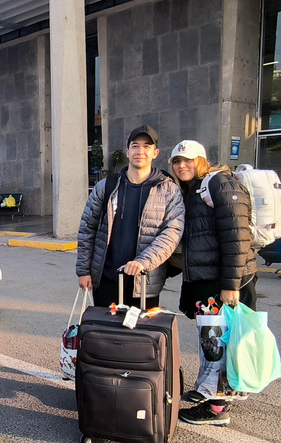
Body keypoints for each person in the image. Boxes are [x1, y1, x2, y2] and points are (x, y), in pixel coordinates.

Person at [168, 139, 257, 426]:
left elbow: (237, 236)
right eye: (177, 161)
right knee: (215, 340)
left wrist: (230, 284)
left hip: (225, 281)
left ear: (201, 160)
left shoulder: (218, 184)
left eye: (188, 160)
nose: (182, 165)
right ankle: (219, 394)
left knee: (219, 341)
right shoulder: (194, 189)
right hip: (208, 281)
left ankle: (216, 407)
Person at [76, 125, 184, 309]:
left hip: (145, 283)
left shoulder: (168, 190)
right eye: (135, 146)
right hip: (106, 280)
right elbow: (87, 229)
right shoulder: (106, 186)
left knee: (140, 337)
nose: (140, 151)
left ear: (155, 152)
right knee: (105, 335)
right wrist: (83, 271)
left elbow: (172, 234)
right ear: (127, 152)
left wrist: (143, 262)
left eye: (146, 146)